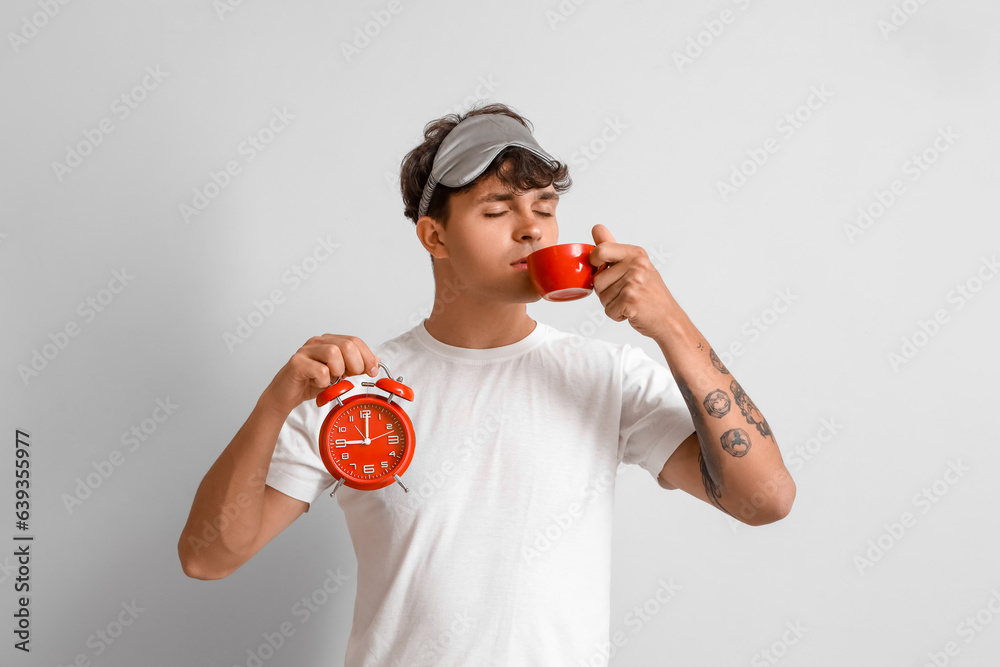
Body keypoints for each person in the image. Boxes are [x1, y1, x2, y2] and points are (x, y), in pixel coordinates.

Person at [177, 102, 796, 665]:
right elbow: (208, 557)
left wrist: (670, 324)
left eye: (546, 209)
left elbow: (765, 500)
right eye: (498, 210)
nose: (532, 228)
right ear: (434, 236)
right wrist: (275, 402)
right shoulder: (359, 392)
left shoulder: (605, 378)